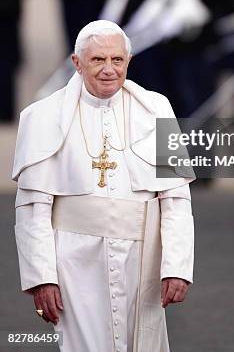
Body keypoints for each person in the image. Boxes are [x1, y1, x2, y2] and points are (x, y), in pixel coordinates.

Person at [13, 20, 195, 352]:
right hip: (73, 263)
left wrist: (177, 266)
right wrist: (42, 277)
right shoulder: (41, 117)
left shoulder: (157, 109)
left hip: (142, 261)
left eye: (117, 60)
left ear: (128, 62)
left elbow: (176, 201)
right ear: (77, 63)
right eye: (98, 60)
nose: (109, 69)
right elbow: (32, 211)